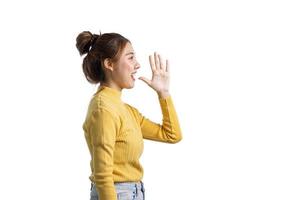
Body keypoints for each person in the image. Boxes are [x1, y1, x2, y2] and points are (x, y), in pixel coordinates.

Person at [76, 31, 182, 200]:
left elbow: (172, 135)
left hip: (132, 192)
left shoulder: (126, 110)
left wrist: (163, 93)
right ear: (109, 64)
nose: (138, 64)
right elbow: (103, 175)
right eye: (130, 57)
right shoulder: (104, 109)